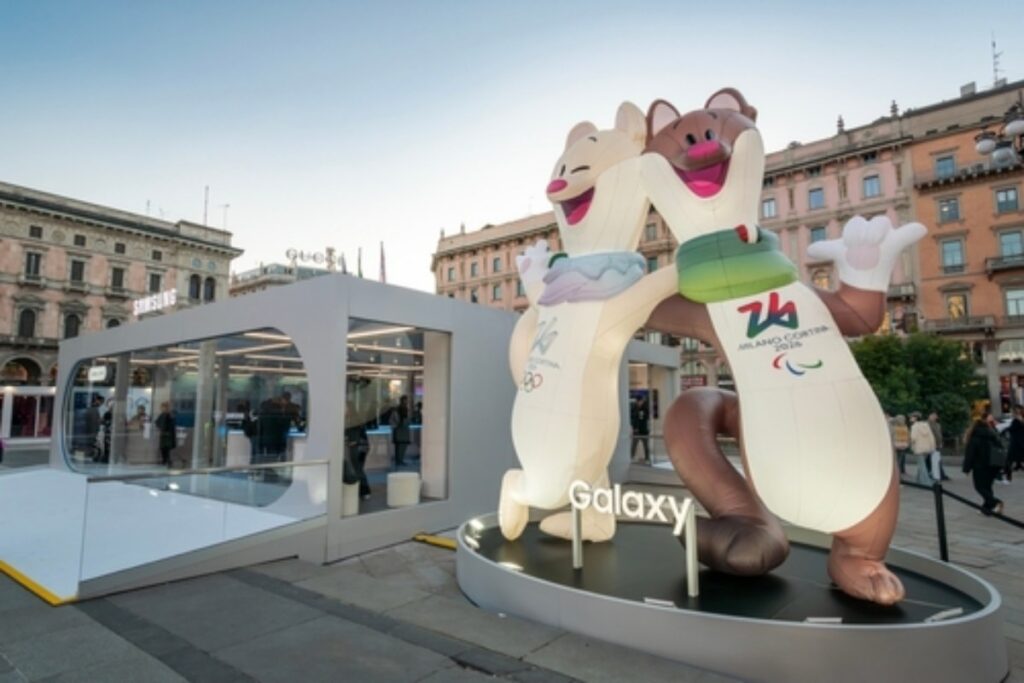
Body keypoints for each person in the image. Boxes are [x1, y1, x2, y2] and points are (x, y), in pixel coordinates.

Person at [963, 411, 1005, 515]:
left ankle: (996, 502)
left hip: (980, 466)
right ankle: (986, 509)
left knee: (980, 487)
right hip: (993, 465)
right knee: (987, 487)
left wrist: (966, 469)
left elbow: (970, 455)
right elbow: (1001, 448)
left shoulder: (974, 438)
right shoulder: (992, 434)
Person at [345, 400, 372, 499]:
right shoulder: (351, 419)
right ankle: (361, 491)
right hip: (358, 447)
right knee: (357, 469)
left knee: (357, 469)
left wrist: (352, 442)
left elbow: (356, 436)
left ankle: (364, 491)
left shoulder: (354, 420)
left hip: (358, 448)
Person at [909, 412, 935, 486]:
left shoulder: (914, 427)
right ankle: (919, 480)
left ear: (915, 418)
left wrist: (910, 444)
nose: (910, 418)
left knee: (922, 466)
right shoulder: (926, 425)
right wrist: (932, 447)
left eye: (911, 417)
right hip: (927, 448)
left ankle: (925, 482)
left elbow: (913, 438)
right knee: (922, 465)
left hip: (918, 448)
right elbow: (931, 437)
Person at [927, 412, 949, 481]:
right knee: (932, 460)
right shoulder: (927, 424)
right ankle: (935, 474)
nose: (934, 417)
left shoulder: (937, 425)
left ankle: (939, 474)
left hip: (937, 444)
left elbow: (939, 435)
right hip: (931, 444)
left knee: (936, 460)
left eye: (935, 416)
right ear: (929, 416)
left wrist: (940, 442)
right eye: (932, 416)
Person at [390, 395, 411, 468]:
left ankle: (399, 460)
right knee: (401, 447)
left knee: (399, 447)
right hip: (401, 430)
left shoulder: (398, 409)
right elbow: (401, 420)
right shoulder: (401, 409)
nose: (407, 402)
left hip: (400, 430)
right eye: (406, 400)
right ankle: (399, 460)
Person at [1005, 404, 1024, 482]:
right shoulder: (1019, 418)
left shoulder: (1018, 419)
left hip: (1016, 441)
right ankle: (1018, 465)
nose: (1015, 411)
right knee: (1017, 456)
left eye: (1016, 409)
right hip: (1020, 441)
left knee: (1009, 459)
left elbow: (1012, 428)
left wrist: (1005, 429)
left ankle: (1008, 476)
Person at [631, 396, 651, 464]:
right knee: (634, 444)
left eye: (640, 401)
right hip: (636, 431)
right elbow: (633, 419)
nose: (639, 403)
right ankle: (632, 457)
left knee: (646, 445)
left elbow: (645, 418)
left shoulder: (645, 408)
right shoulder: (634, 408)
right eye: (638, 401)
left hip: (644, 430)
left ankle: (647, 458)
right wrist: (634, 427)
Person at [155, 402, 176, 467]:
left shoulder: (170, 415)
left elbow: (170, 425)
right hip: (164, 434)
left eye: (163, 407)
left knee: (167, 448)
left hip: (168, 435)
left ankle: (168, 461)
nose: (162, 409)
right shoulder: (162, 415)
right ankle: (164, 460)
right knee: (163, 448)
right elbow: (157, 422)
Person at [84, 394, 104, 462]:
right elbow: (93, 422)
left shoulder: (94, 409)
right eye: (101, 402)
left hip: (92, 432)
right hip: (91, 432)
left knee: (91, 445)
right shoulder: (93, 409)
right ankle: (88, 457)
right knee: (90, 445)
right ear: (97, 400)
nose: (101, 404)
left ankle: (89, 456)